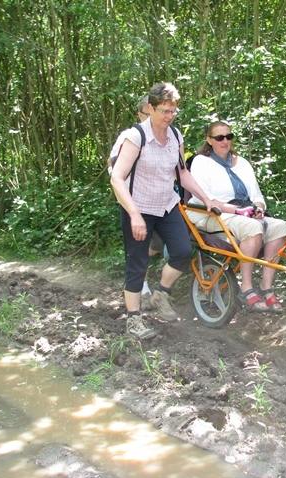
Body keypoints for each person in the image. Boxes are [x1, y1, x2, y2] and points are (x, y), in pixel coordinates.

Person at [110, 83, 219, 339]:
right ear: (151, 108)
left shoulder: (175, 136)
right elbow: (117, 178)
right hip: (138, 207)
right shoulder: (136, 137)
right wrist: (135, 215)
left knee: (182, 252)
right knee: (137, 263)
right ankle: (134, 320)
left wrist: (206, 198)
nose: (169, 116)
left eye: (173, 111)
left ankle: (161, 294)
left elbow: (181, 173)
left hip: (167, 205)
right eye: (164, 111)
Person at [187, 121, 286, 312]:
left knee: (279, 226)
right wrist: (238, 211)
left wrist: (258, 208)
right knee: (253, 228)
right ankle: (246, 288)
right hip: (213, 213)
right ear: (209, 140)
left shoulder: (241, 163)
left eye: (228, 137)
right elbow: (205, 198)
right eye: (219, 138)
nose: (225, 141)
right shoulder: (202, 162)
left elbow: (257, 195)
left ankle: (266, 287)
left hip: (244, 213)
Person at [106, 94, 164, 299]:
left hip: (161, 202)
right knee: (140, 246)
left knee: (158, 244)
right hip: (137, 202)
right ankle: (141, 285)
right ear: (141, 114)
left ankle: (146, 281)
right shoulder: (129, 136)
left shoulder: (165, 136)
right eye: (148, 115)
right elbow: (112, 164)